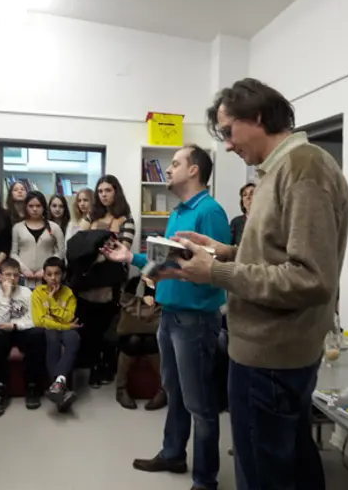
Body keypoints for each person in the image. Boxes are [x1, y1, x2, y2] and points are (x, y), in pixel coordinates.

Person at [164, 78, 348, 490]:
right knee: (292, 467)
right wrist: (226, 252)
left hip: (271, 360)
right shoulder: (280, 170)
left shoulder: (304, 169)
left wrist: (215, 273)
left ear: (259, 116)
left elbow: (310, 278)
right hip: (268, 356)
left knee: (264, 477)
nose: (228, 145)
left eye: (229, 131)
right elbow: (275, 255)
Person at [103, 145, 229, 490]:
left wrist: (181, 273)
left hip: (196, 320)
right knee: (174, 391)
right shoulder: (177, 213)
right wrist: (131, 257)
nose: (168, 169)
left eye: (175, 163)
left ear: (194, 170)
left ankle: (205, 479)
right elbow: (165, 263)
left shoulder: (210, 212)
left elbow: (218, 272)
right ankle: (173, 453)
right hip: (169, 315)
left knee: (200, 403)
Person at [78, 175, 134, 387]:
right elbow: (78, 242)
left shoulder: (126, 219)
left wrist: (98, 252)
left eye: (108, 190)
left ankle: (107, 365)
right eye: (100, 191)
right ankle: (94, 368)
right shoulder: (91, 216)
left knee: (109, 327)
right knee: (90, 327)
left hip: (112, 280)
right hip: (89, 280)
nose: (103, 195)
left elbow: (123, 249)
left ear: (116, 192)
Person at [0, 258, 46, 417]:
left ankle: (32, 386)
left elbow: (34, 320)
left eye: (16, 275)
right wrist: (6, 296)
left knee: (38, 334)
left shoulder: (27, 293)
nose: (12, 279)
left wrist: (16, 326)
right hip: (2, 332)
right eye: (8, 275)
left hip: (21, 329)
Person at [31, 257, 81, 413]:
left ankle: (57, 384)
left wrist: (52, 301)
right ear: (44, 276)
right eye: (49, 274)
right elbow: (39, 321)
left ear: (63, 275)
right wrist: (64, 324)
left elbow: (69, 317)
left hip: (66, 330)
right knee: (51, 337)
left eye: (57, 274)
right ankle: (60, 388)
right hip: (51, 330)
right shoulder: (38, 293)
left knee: (74, 337)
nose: (53, 278)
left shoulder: (68, 293)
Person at [115, 276, 166, 411]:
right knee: (133, 341)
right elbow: (124, 301)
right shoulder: (133, 282)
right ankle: (121, 389)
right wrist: (141, 297)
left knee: (151, 341)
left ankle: (163, 390)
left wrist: (152, 291)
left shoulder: (164, 283)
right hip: (129, 332)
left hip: (156, 334)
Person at [10, 191, 65, 289]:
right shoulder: (17, 228)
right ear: (26, 207)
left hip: (48, 278)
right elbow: (13, 253)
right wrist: (23, 269)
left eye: (38, 206)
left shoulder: (54, 227)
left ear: (44, 207)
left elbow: (62, 252)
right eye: (31, 206)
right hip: (24, 277)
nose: (34, 209)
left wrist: (47, 269)